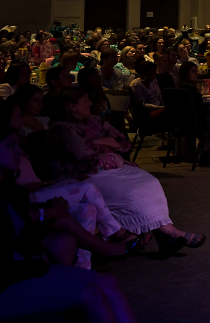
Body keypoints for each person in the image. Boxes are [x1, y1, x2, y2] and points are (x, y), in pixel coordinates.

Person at [39, 89, 206, 254]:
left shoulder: (94, 121)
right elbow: (82, 156)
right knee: (132, 192)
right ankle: (171, 233)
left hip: (109, 166)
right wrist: (105, 143)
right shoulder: (62, 129)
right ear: (72, 107)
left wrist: (103, 143)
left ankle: (165, 235)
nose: (90, 103)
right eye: (85, 101)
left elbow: (124, 142)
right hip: (83, 174)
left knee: (149, 183)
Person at [0, 128, 140, 323]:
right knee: (93, 294)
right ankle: (110, 240)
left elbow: (19, 227)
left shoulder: (9, 189)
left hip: (21, 260)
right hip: (8, 283)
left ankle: (91, 260)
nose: (20, 151)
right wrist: (39, 263)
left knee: (106, 279)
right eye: (10, 146)